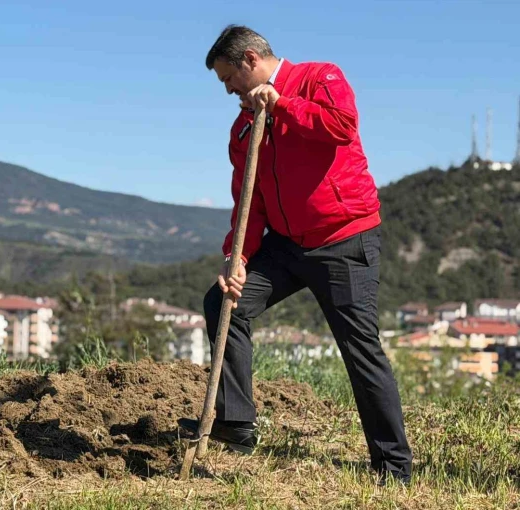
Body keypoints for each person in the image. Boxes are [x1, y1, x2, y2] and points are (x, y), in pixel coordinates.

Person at [178, 25, 412, 485]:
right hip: (286, 245)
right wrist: (238, 258)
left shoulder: (319, 78)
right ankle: (238, 421)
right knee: (224, 302)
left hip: (343, 238)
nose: (227, 90)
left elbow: (341, 127)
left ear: (249, 59)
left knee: (359, 349)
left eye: (229, 78)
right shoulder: (243, 126)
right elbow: (250, 201)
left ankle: (393, 466)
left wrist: (281, 105)